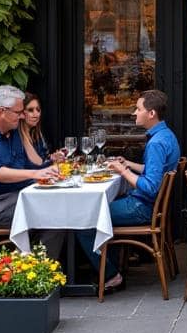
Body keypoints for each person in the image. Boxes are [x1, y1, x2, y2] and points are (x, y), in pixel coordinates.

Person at [77, 89, 180, 292]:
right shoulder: (166, 135)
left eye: (138, 109)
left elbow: (150, 187)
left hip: (142, 207)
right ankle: (110, 267)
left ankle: (110, 275)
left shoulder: (156, 143)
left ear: (151, 113)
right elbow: (154, 171)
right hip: (151, 206)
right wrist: (129, 164)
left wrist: (123, 171)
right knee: (101, 209)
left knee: (84, 219)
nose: (134, 113)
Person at [0, 85, 63, 255]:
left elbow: (31, 166)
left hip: (22, 195)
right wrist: (35, 174)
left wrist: (51, 168)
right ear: (2, 111)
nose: (22, 116)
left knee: (61, 206)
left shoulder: (14, 132)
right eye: (18, 112)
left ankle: (39, 264)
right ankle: (40, 266)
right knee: (56, 213)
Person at [20, 92, 64, 167]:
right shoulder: (17, 136)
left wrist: (52, 158)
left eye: (38, 110)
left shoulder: (36, 134)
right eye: (30, 110)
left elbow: (42, 160)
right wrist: (50, 161)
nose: (36, 114)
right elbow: (36, 165)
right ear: (21, 113)